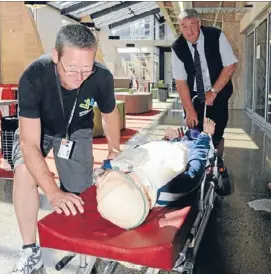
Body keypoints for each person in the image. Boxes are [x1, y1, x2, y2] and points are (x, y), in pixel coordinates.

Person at [11, 24, 121, 274]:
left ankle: (83, 245)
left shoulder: (101, 77)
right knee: (24, 171)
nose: (79, 75)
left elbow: (109, 112)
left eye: (86, 68)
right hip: (39, 128)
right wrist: (52, 192)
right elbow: (29, 144)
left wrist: (114, 149)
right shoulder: (33, 76)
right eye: (71, 68)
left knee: (81, 191)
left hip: (75, 131)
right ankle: (30, 251)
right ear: (55, 56)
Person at [95, 118, 215, 229]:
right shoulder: (167, 188)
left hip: (171, 146)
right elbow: (195, 170)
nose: (125, 173)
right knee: (195, 135)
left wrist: (174, 140)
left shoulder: (132, 186)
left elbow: (113, 167)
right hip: (188, 148)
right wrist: (205, 136)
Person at [171, 9, 238, 156]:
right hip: (195, 94)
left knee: (217, 129)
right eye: (184, 26)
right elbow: (181, 82)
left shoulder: (216, 35)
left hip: (218, 91)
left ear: (199, 23)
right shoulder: (178, 47)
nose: (189, 31)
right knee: (194, 129)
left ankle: (216, 155)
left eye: (193, 25)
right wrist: (189, 110)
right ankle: (199, 158)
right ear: (180, 27)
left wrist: (213, 91)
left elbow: (230, 65)